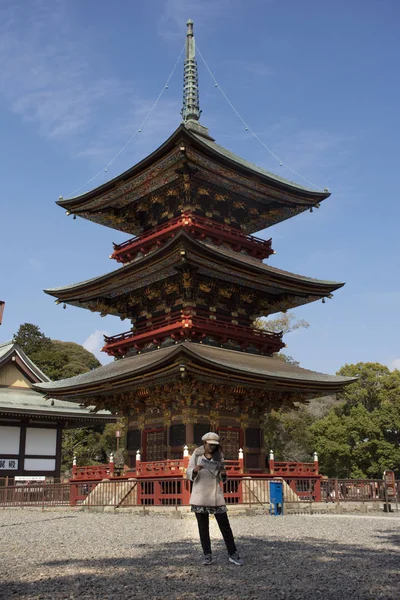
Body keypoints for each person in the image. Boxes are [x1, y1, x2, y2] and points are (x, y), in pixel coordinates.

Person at [186, 432, 243, 566]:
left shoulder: (219, 456)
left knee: (225, 525)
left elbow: (221, 475)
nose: (212, 447)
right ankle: (207, 554)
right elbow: (188, 470)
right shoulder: (197, 454)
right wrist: (195, 470)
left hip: (215, 493)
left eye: (214, 445)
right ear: (205, 443)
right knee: (203, 526)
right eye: (210, 445)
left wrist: (223, 474)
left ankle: (232, 553)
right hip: (200, 493)